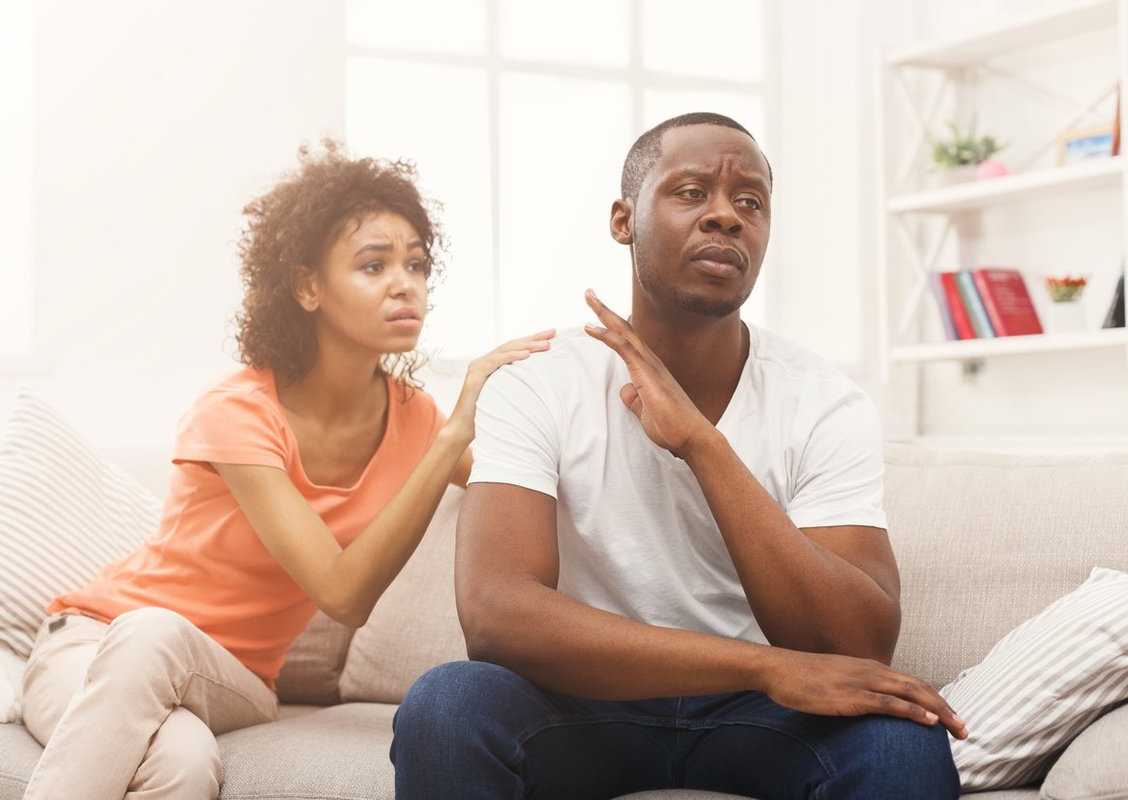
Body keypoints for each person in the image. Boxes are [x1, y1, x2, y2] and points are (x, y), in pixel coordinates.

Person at [391, 113, 966, 799]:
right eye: (691, 192)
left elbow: (859, 647)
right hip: (590, 701)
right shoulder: (537, 382)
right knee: (447, 704)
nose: (725, 216)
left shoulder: (824, 402)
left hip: (764, 716)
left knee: (903, 743)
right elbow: (496, 615)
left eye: (750, 201)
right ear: (623, 220)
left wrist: (701, 444)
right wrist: (762, 665)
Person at [19, 139, 552, 800]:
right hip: (93, 646)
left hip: (233, 678)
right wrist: (451, 437)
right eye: (374, 265)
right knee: (183, 762)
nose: (405, 283)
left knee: (159, 647)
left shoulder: (415, 418)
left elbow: (520, 486)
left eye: (416, 263)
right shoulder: (237, 410)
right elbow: (342, 594)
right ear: (307, 287)